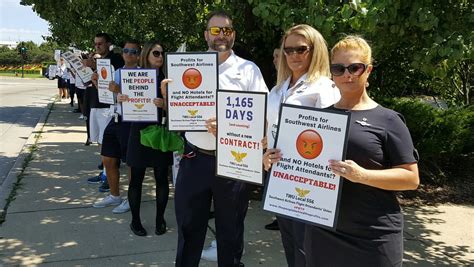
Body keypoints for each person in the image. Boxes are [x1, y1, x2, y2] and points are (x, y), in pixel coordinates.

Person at [162, 10, 268, 267]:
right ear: (206, 34)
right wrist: (168, 100)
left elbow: (262, 116)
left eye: (227, 30)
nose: (222, 35)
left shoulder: (248, 70)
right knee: (188, 228)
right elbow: (179, 114)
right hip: (195, 158)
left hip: (234, 162)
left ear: (234, 35)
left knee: (230, 231)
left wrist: (230, 126)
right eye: (216, 30)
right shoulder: (187, 66)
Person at [303, 35, 419, 266]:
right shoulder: (318, 119)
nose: (347, 75)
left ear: (368, 71)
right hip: (323, 231)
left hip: (373, 235)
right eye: (339, 68)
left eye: (355, 68)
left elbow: (411, 178)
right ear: (332, 74)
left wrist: (362, 176)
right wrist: (275, 160)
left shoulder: (389, 120)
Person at [262, 24, 340, 267]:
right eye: (288, 50)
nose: (294, 55)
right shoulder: (278, 89)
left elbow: (331, 138)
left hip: (308, 180)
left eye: (301, 49)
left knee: (308, 249)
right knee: (290, 243)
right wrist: (265, 154)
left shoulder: (324, 89)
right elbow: (269, 131)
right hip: (279, 176)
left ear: (315, 51)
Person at [118, 41, 172, 236]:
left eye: (162, 53)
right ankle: (135, 221)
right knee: (136, 180)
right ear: (147, 55)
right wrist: (121, 98)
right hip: (138, 131)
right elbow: (123, 99)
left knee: (161, 178)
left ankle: (160, 219)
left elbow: (181, 109)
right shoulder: (133, 77)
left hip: (159, 132)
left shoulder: (169, 79)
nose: (160, 57)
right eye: (156, 53)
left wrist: (165, 104)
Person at [92, 40, 141, 213]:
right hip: (115, 117)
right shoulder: (117, 72)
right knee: (108, 158)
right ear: (122, 54)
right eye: (126, 50)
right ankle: (114, 195)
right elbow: (108, 96)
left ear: (139, 55)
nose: (129, 54)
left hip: (131, 121)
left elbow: (141, 99)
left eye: (133, 51)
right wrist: (98, 83)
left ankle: (130, 198)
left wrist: (119, 89)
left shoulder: (143, 74)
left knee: (130, 162)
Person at [86, 33, 124, 192]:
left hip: (108, 107)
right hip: (96, 103)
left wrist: (94, 66)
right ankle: (104, 174)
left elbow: (111, 78)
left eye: (100, 44)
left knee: (108, 144)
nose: (97, 46)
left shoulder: (115, 59)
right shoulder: (97, 60)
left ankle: (110, 177)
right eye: (95, 44)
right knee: (100, 142)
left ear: (108, 44)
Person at [264, 47, 281, 232]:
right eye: (274, 56)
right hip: (275, 158)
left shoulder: (321, 87)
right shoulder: (277, 88)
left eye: (278, 55)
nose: (275, 59)